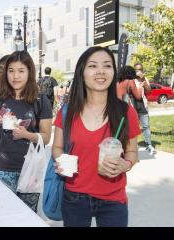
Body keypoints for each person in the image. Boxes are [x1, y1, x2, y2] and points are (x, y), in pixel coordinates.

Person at [52, 46, 141, 227]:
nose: (101, 71)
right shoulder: (67, 111)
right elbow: (57, 147)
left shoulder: (126, 112)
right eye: (93, 66)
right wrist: (60, 161)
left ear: (113, 72)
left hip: (113, 199)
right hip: (74, 196)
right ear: (82, 72)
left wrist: (126, 164)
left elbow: (132, 151)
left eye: (107, 66)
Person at [0, 51, 53, 211]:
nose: (15, 76)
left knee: (27, 216)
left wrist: (26, 134)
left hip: (31, 169)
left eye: (21, 71)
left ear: (29, 72)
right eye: (11, 71)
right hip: (3, 167)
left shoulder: (41, 100)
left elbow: (46, 137)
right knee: (4, 213)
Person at [134, 63, 156, 155]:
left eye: (140, 69)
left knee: (146, 126)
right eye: (136, 70)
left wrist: (143, 79)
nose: (138, 71)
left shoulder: (144, 79)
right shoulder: (131, 79)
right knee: (133, 128)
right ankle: (132, 147)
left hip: (143, 106)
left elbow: (149, 91)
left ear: (142, 70)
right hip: (133, 107)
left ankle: (149, 145)